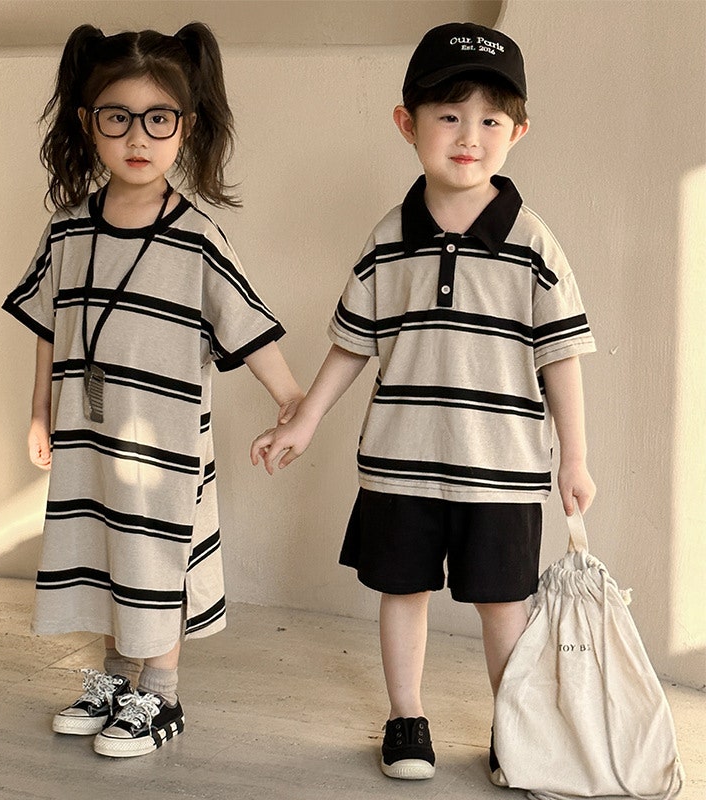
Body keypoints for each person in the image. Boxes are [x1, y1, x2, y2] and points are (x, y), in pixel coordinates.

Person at [251, 22, 596, 782]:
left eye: (491, 119)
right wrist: (305, 418)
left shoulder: (534, 243)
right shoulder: (387, 240)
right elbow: (353, 343)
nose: (469, 136)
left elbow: (561, 355)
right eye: (448, 115)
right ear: (407, 124)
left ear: (518, 132)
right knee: (401, 591)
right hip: (399, 464)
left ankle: (514, 730)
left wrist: (574, 458)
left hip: (501, 472)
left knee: (504, 607)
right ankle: (406, 718)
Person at [3, 23, 302, 759]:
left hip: (165, 447)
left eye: (158, 119)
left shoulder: (198, 238)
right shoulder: (67, 232)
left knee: (154, 557)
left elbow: (247, 326)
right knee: (106, 548)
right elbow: (47, 326)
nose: (138, 137)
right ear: (89, 124)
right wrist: (38, 414)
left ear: (185, 127)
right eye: (118, 117)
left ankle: (160, 692)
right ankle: (114, 679)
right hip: (89, 435)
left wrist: (293, 403)